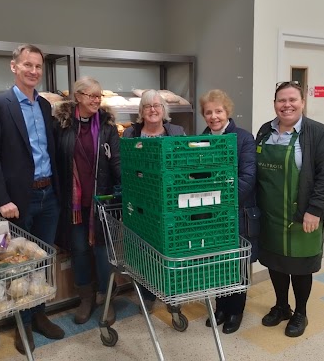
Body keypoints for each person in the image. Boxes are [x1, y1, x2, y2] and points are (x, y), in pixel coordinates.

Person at [0, 44, 64, 354]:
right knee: (18, 265)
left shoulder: (44, 106)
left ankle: (39, 315)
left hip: (48, 195)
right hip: (17, 201)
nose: (33, 71)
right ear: (13, 67)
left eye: (38, 66)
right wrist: (1, 199)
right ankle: (22, 324)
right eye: (27, 64)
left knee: (42, 260)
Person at [256, 81, 324, 337]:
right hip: (270, 215)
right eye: (281, 100)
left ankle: (301, 312)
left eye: (292, 99)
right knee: (275, 263)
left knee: (301, 266)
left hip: (303, 216)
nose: (287, 105)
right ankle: (282, 306)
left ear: (302, 103)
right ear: (274, 104)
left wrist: (314, 209)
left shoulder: (318, 133)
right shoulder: (264, 131)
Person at [53, 76, 121, 325]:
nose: (96, 100)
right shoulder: (62, 125)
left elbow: (116, 162)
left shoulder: (107, 126)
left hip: (100, 201)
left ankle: (106, 299)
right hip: (73, 205)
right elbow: (56, 161)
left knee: (102, 252)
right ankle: (85, 298)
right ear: (78, 96)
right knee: (80, 251)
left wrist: (125, 189)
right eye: (91, 95)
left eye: (98, 95)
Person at [199, 89, 258, 334]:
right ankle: (220, 306)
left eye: (218, 111)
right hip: (212, 214)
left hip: (237, 212)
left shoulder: (243, 138)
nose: (214, 116)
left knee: (237, 263)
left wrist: (222, 202)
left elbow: (247, 177)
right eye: (208, 112)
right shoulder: (199, 139)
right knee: (217, 261)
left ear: (228, 112)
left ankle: (236, 310)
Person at [123, 89, 186, 313]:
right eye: (147, 106)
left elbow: (184, 165)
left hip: (170, 202)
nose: (152, 110)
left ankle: (172, 293)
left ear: (163, 110)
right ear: (141, 111)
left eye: (157, 106)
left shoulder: (177, 132)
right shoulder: (130, 134)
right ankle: (148, 293)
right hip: (141, 202)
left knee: (170, 247)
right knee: (145, 250)